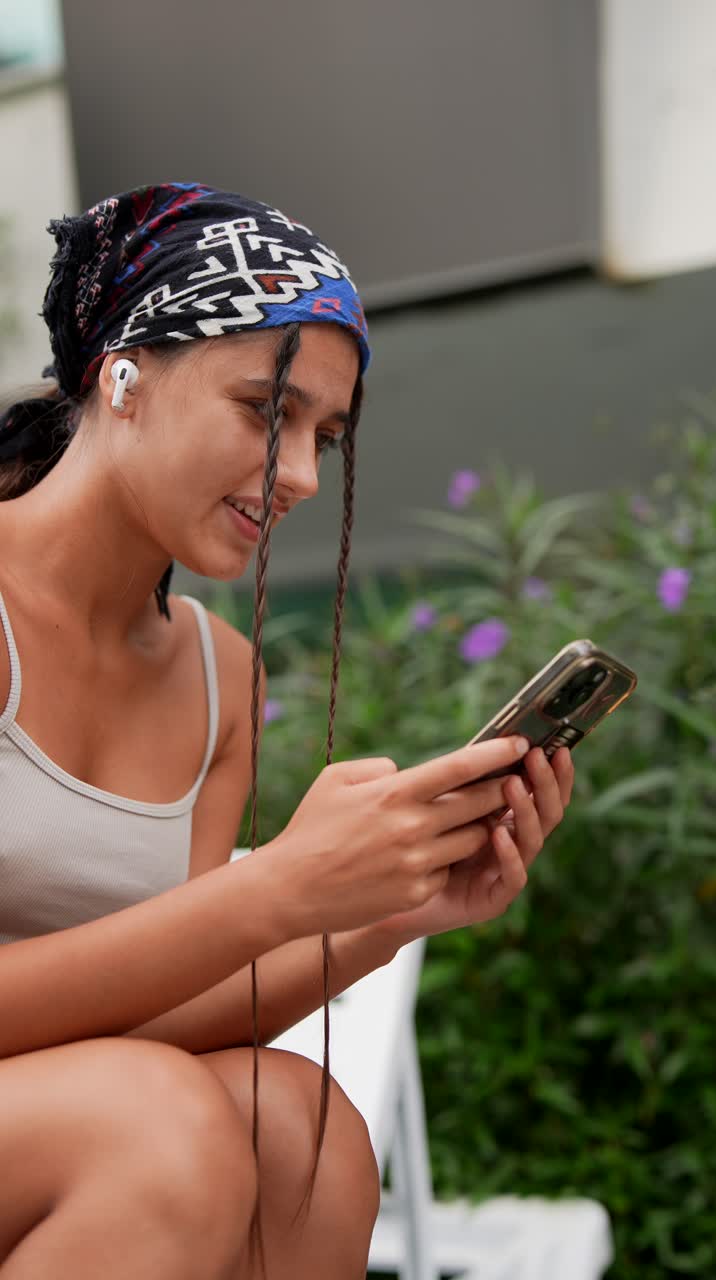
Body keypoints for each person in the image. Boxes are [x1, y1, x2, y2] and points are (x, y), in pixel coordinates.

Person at [0, 182, 574, 1279]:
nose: (302, 475)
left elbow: (156, 1020)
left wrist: (383, 913)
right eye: (267, 410)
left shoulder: (219, 680)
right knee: (157, 1129)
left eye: (326, 435)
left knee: (298, 1132)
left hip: (76, 1127)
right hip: (101, 1136)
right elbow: (138, 1070)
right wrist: (274, 887)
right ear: (122, 375)